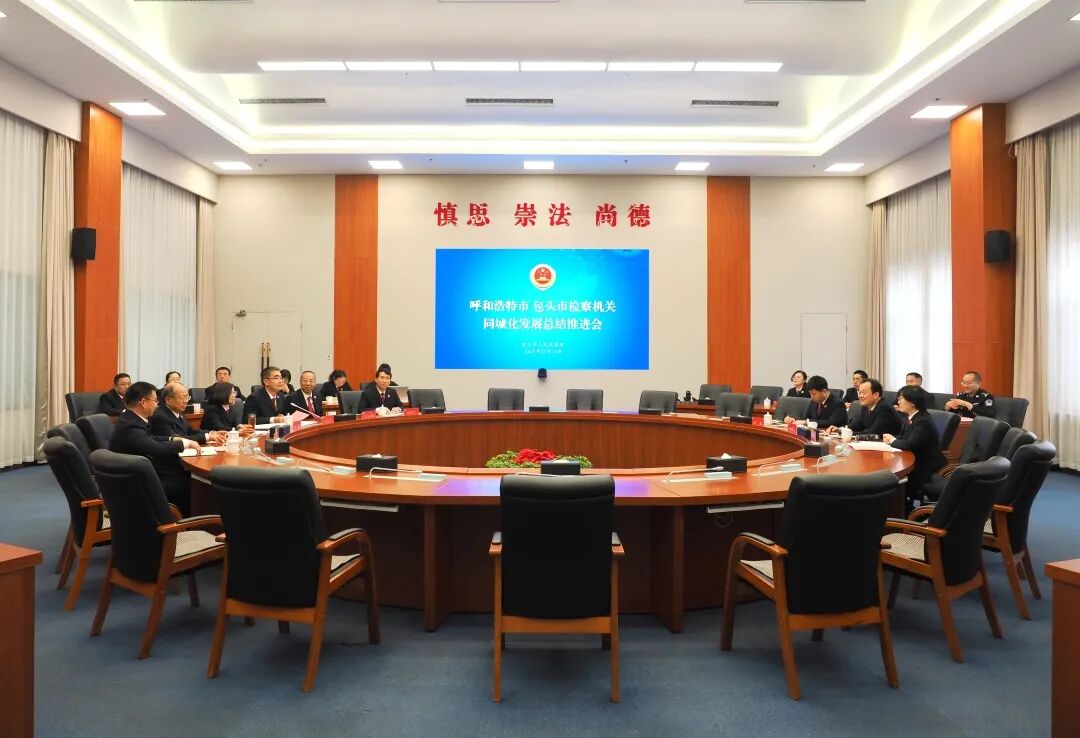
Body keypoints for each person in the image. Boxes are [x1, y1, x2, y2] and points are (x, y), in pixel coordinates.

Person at [109, 381, 199, 515]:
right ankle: (180, 521)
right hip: (135, 482)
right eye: (155, 401)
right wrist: (184, 444)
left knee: (183, 475)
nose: (157, 405)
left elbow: (149, 438)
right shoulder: (131, 426)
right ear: (143, 402)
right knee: (187, 482)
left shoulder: (131, 419)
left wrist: (171, 439)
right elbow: (154, 448)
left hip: (137, 472)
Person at [883, 385, 947, 508]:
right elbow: (903, 437)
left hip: (925, 467)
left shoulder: (922, 421)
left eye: (901, 399)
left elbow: (910, 444)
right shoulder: (911, 417)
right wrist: (891, 439)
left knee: (891, 484)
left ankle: (901, 511)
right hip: (915, 461)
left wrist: (892, 440)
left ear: (912, 402)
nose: (898, 402)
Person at [150, 382, 226, 447]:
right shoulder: (160, 416)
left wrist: (212, 433)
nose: (185, 401)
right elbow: (177, 439)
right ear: (168, 400)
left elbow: (191, 431)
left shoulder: (178, 412)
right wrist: (208, 437)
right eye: (182, 398)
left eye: (187, 397)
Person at [834, 378, 901, 437]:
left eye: (863, 392)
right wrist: (840, 429)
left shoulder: (885, 408)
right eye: (859, 392)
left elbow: (872, 434)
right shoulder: (865, 407)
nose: (860, 396)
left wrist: (847, 433)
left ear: (876, 395)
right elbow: (856, 425)